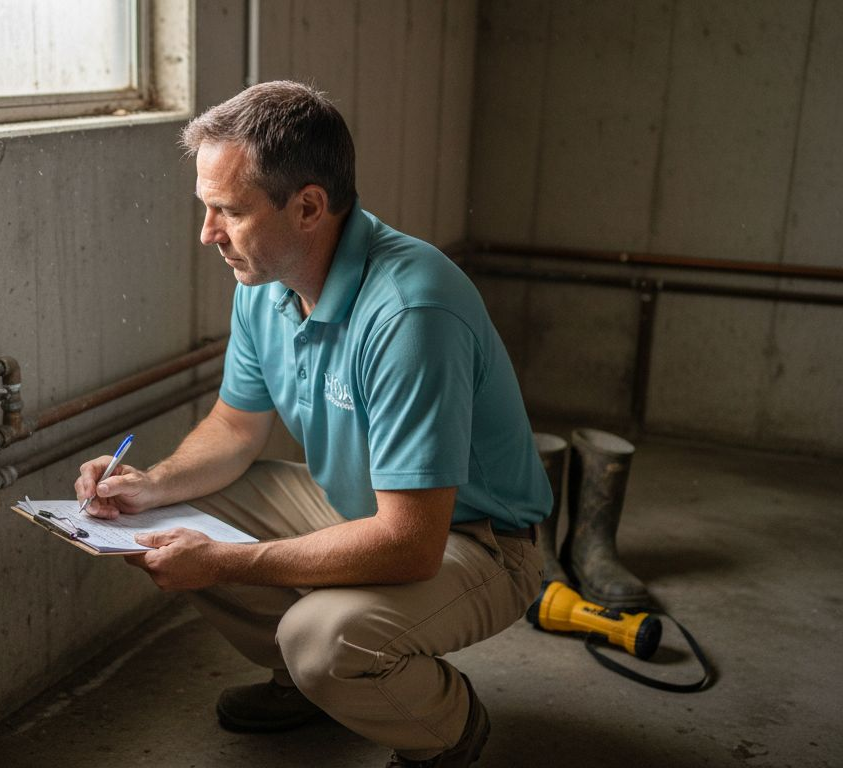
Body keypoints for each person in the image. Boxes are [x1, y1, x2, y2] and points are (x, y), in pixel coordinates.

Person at [74, 81, 550, 768]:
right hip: (361, 509)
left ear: (307, 207)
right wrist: (153, 483)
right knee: (176, 510)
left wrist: (228, 562)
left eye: (227, 212)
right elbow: (235, 429)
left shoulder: (410, 315)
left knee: (320, 639)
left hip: (475, 539)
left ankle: (443, 727)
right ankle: (308, 687)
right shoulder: (266, 283)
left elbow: (412, 545)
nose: (207, 233)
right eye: (205, 209)